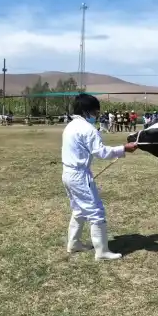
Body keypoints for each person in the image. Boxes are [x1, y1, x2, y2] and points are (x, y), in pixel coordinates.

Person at [62, 94, 138, 260]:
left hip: (67, 173)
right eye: (95, 111)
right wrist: (124, 148)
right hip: (79, 176)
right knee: (96, 211)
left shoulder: (71, 126)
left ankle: (74, 243)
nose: (96, 115)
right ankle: (102, 251)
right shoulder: (88, 130)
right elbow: (101, 152)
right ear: (86, 110)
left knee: (79, 209)